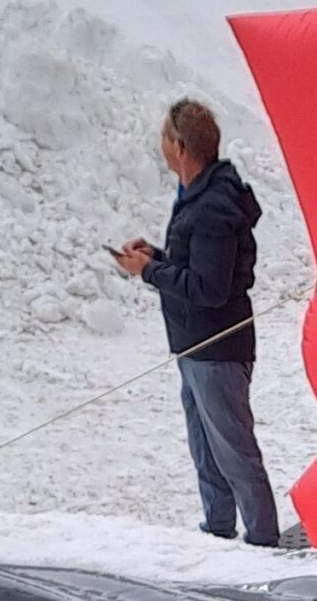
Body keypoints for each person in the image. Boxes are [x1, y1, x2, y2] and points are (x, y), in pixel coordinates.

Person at [113, 99, 280, 548]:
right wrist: (157, 257)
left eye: (165, 137)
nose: (161, 144)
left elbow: (208, 289)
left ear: (180, 148)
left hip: (216, 350)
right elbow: (197, 269)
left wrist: (147, 272)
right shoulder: (202, 195)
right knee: (206, 450)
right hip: (195, 347)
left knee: (233, 452)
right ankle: (218, 534)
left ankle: (263, 543)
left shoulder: (211, 208)